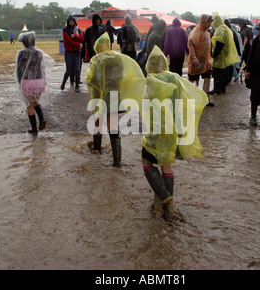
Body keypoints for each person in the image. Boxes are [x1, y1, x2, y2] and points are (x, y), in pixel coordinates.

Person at [141, 46, 208, 220]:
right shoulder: (175, 78)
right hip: (174, 131)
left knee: (147, 161)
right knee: (166, 165)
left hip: (158, 132)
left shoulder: (151, 80)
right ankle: (165, 209)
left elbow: (148, 107)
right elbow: (185, 102)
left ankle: (167, 200)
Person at [86, 33, 146, 167]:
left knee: (98, 121)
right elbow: (121, 75)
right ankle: (117, 161)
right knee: (113, 125)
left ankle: (96, 148)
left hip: (99, 95)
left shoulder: (96, 59)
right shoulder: (117, 58)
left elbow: (91, 78)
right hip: (114, 94)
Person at [15, 32, 55, 134]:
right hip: (39, 81)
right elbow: (42, 68)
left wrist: (20, 82)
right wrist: (44, 80)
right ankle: (41, 119)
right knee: (36, 101)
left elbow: (19, 69)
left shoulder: (21, 53)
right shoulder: (39, 53)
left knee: (30, 105)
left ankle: (34, 128)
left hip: (27, 82)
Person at [187, 14, 214, 107]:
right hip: (196, 62)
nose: (210, 24)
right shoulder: (196, 32)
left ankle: (205, 99)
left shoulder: (207, 33)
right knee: (191, 80)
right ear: (203, 22)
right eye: (208, 22)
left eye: (210, 22)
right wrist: (194, 58)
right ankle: (187, 98)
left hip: (205, 61)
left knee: (207, 78)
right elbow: (191, 44)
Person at [210, 14, 240, 95]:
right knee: (223, 72)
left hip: (220, 55)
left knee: (217, 73)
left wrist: (214, 54)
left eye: (213, 21)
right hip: (225, 54)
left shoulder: (220, 29)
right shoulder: (225, 28)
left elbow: (220, 43)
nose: (212, 23)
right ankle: (222, 88)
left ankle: (217, 89)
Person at [61, 15, 85, 92]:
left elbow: (82, 38)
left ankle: (77, 86)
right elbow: (68, 41)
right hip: (69, 52)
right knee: (69, 70)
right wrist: (78, 45)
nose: (71, 22)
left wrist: (75, 36)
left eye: (73, 20)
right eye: (70, 21)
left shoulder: (78, 30)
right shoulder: (65, 30)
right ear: (68, 22)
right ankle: (63, 83)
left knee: (77, 69)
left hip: (77, 52)